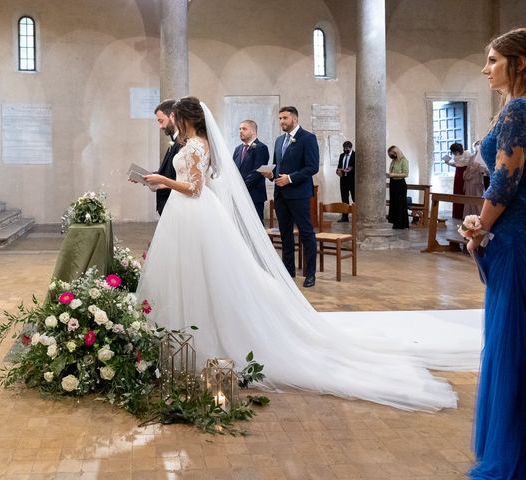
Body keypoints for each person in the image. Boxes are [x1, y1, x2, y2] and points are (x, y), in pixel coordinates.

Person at [137, 95, 481, 412]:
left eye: (176, 119)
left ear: (186, 119)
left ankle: (205, 337)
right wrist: (159, 181)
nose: (174, 124)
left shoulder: (197, 145)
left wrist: (162, 180)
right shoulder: (195, 144)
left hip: (195, 210)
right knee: (195, 274)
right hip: (186, 215)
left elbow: (195, 189)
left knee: (210, 271)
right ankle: (186, 334)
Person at [460, 28, 526, 479]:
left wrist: (478, 227)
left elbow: (504, 182)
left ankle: (522, 451)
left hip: (517, 234)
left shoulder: (521, 107)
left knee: (514, 336)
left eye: (494, 59)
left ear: (519, 63)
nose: (486, 68)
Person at [262, 106, 319, 288]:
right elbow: (277, 165)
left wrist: (290, 178)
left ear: (294, 118)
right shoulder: (279, 141)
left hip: (299, 194)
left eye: (285, 118)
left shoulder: (308, 138)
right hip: (281, 194)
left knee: (306, 233)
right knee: (285, 234)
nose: (281, 122)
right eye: (279, 118)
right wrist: (271, 174)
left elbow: (312, 167)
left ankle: (310, 274)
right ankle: (288, 271)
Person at [232, 120, 269, 223]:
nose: (240, 131)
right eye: (239, 129)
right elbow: (233, 170)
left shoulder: (261, 148)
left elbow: (257, 172)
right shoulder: (238, 149)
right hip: (239, 195)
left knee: (255, 225)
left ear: (253, 131)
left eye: (244, 129)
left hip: (254, 194)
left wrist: (241, 187)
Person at [154, 100, 180, 216]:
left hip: (175, 204)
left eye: (161, 121)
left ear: (172, 116)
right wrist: (147, 177)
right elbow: (170, 171)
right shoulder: (174, 140)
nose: (160, 126)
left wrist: (160, 181)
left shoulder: (183, 142)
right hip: (167, 204)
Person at [444, 143, 472, 219]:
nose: (454, 153)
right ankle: (457, 214)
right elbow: (457, 164)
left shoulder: (467, 153)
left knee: (464, 192)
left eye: (454, 151)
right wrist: (448, 163)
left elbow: (469, 163)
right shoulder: (456, 155)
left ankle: (465, 213)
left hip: (465, 172)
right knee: (457, 191)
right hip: (458, 173)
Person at [462, 142, 489, 217]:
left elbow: (486, 169)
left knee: (478, 196)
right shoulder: (472, 157)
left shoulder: (484, 156)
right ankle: (469, 215)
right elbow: (468, 167)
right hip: (470, 180)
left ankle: (480, 215)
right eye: (477, 145)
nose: (478, 147)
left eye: (480, 145)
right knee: (470, 196)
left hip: (478, 180)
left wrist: (483, 169)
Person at [386, 146, 409, 229]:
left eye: (392, 154)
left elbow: (405, 174)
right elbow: (392, 171)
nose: (391, 156)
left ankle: (401, 223)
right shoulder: (393, 161)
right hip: (393, 183)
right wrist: (389, 175)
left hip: (400, 184)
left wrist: (393, 174)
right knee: (394, 202)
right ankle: (393, 222)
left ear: (396, 152)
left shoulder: (404, 160)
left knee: (400, 203)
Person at [336, 141, 355, 222]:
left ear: (351, 148)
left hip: (353, 180)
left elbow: (357, 167)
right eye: (344, 148)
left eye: (347, 148)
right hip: (343, 179)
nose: (345, 150)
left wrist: (350, 169)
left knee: (355, 198)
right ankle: (345, 217)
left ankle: (356, 216)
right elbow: (339, 166)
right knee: (344, 198)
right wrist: (338, 171)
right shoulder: (342, 155)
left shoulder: (355, 155)